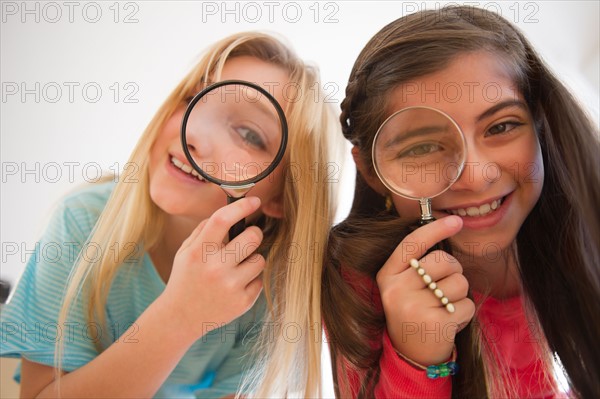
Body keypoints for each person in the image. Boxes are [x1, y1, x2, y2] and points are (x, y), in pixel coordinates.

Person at [1, 31, 343, 398]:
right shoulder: (83, 222)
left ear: (282, 198)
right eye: (195, 98)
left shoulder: (266, 290)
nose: (193, 136)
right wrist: (180, 317)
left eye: (248, 133)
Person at [322, 6, 599, 398]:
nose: (475, 176)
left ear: (542, 126)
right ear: (372, 172)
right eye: (423, 147)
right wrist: (416, 358)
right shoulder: (354, 295)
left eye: (501, 126)